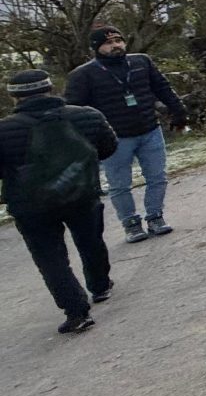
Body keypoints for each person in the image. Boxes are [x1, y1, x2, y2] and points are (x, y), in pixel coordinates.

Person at [0, 69, 119, 335]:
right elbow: (109, 147)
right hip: (82, 193)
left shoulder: (4, 129)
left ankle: (76, 312)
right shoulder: (88, 115)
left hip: (31, 205)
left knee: (50, 259)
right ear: (50, 88)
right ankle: (100, 286)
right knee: (91, 241)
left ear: (14, 97)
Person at [66, 25, 188, 242]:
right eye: (108, 43)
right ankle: (131, 223)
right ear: (96, 47)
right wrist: (88, 138)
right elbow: (75, 110)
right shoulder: (83, 74)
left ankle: (155, 216)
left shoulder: (141, 62)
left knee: (157, 177)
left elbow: (162, 88)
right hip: (115, 138)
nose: (115, 46)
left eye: (118, 41)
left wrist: (179, 112)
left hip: (149, 129)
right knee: (120, 184)